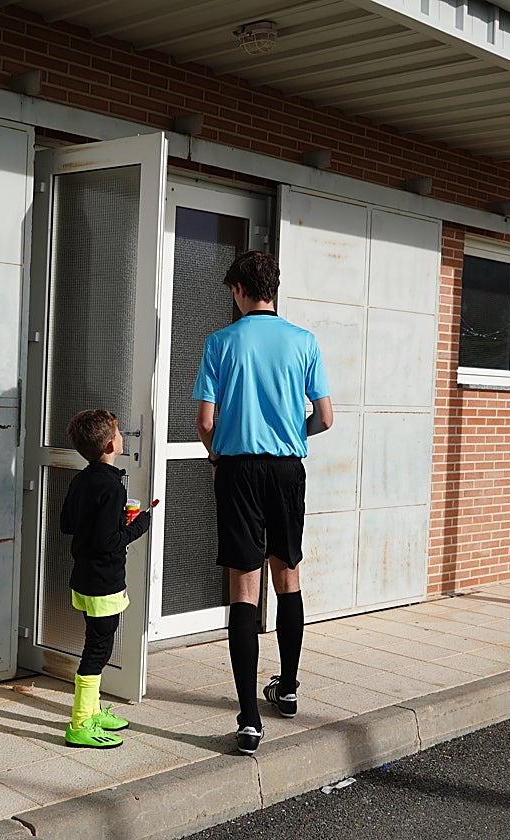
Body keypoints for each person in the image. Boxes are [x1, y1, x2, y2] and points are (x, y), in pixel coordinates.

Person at [192, 250, 333, 756]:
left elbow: (206, 422)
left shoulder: (220, 343)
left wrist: (218, 457)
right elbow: (325, 416)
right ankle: (289, 689)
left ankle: (250, 719)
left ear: (238, 290)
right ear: (273, 287)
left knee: (243, 587)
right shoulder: (304, 342)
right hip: (285, 469)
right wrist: (294, 432)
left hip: (237, 469)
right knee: (286, 574)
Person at [59, 408, 154, 748]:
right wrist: (137, 526)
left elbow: (67, 525)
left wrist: (114, 522)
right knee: (98, 650)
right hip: (104, 582)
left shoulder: (82, 479)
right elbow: (108, 542)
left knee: (95, 642)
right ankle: (81, 722)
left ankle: (94, 710)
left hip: (83, 578)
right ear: (112, 444)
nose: (124, 437)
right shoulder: (111, 487)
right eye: (120, 432)